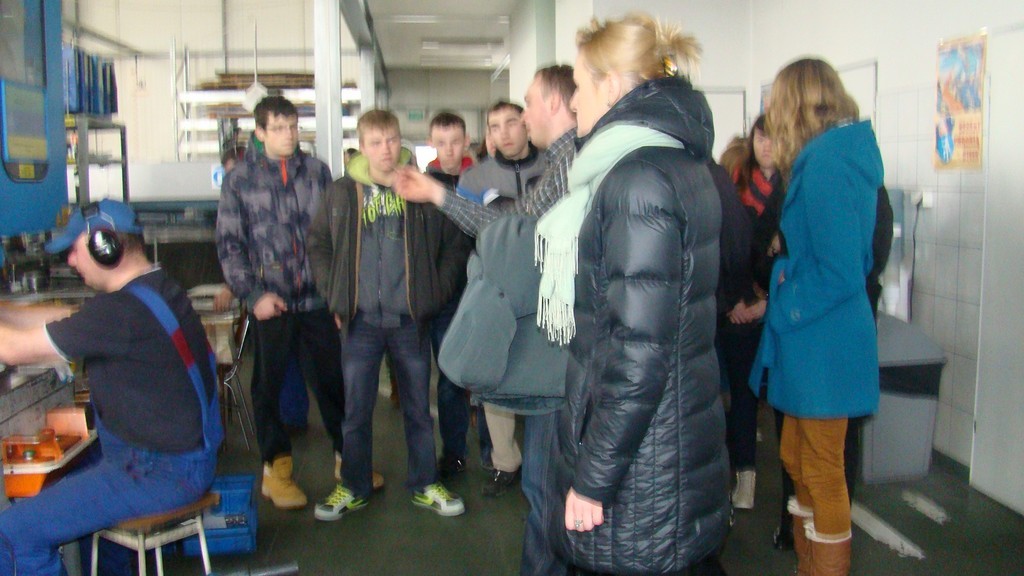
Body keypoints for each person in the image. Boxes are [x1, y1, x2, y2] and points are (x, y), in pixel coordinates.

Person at [543, 13, 729, 575]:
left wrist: (592, 481)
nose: (573, 101)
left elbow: (637, 354)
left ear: (612, 86)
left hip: (644, 468)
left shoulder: (635, 182)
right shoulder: (676, 161)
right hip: (667, 444)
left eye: (579, 84)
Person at [396, 63, 578, 576]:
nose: (522, 116)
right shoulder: (565, 161)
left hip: (562, 349)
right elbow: (513, 226)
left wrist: (439, 197)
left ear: (554, 103)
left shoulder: (570, 162)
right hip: (556, 343)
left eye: (528, 103)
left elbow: (512, 230)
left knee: (545, 488)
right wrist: (437, 194)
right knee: (544, 487)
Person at [0, 200, 221, 576]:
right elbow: (68, 317)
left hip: (157, 472)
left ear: (105, 246)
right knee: (61, 486)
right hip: (180, 459)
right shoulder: (155, 289)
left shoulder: (120, 313)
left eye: (74, 249)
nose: (71, 261)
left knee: (13, 533)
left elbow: (11, 349)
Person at [750, 58, 883, 576]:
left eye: (775, 100)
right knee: (795, 457)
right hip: (817, 337)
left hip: (823, 338)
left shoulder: (827, 162)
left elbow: (841, 270)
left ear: (797, 104)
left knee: (822, 469)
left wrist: (786, 301)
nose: (769, 110)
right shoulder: (831, 155)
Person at [307, 109, 470, 521]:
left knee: (418, 410)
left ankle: (424, 482)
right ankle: (353, 485)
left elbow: (454, 245)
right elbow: (318, 244)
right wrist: (335, 295)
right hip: (360, 321)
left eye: (393, 140)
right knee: (356, 412)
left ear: (402, 142)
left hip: (409, 320)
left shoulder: (421, 188)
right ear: (362, 147)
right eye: (376, 142)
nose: (386, 150)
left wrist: (434, 292)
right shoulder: (341, 194)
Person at [216, 95, 350, 510]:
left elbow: (337, 236)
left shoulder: (318, 173)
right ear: (259, 132)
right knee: (267, 389)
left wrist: (337, 294)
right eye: (278, 128)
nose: (289, 135)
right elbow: (229, 244)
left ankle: (349, 461)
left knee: (333, 383)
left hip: (316, 300)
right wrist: (253, 295)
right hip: (270, 302)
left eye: (293, 126)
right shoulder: (240, 181)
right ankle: (276, 472)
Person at [722, 114, 783, 512]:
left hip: (774, 309)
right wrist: (730, 303)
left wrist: (764, 303)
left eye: (773, 138)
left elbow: (791, 258)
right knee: (737, 395)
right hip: (734, 307)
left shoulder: (792, 189)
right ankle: (740, 475)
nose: (766, 145)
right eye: (761, 137)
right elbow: (722, 247)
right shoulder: (735, 183)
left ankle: (763, 480)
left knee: (770, 399)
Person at [423, 111, 488, 479]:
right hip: (443, 298)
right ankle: (454, 453)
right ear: (431, 143)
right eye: (441, 142)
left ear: (467, 142)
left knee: (488, 375)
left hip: (483, 292)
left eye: (455, 142)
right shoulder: (422, 187)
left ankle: (494, 454)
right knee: (449, 377)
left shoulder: (482, 181)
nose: (449, 150)